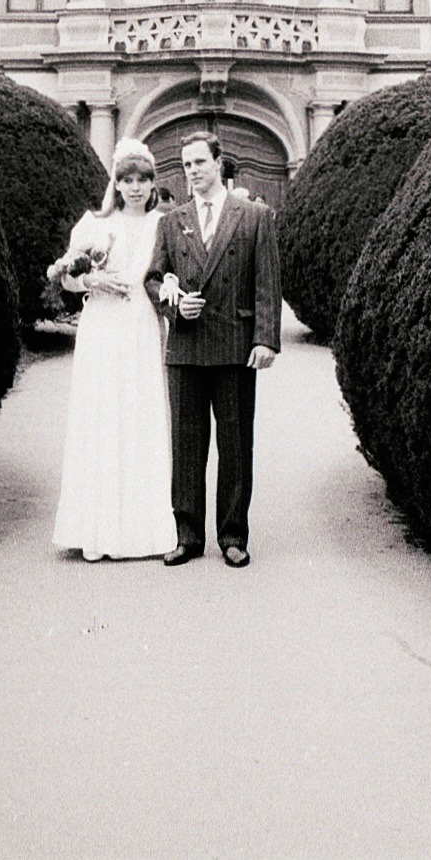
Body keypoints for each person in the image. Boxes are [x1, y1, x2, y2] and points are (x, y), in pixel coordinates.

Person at [144, 130, 282, 568]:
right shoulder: (171, 220)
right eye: (185, 165)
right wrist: (173, 305)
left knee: (236, 444)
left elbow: (266, 283)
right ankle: (187, 535)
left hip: (236, 345)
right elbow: (152, 278)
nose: (192, 172)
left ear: (219, 163)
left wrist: (265, 339)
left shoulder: (253, 215)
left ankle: (233, 536)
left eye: (199, 163)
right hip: (185, 346)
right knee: (187, 445)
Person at [51, 139, 177, 562]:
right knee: (102, 415)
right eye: (127, 179)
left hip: (142, 326)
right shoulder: (94, 224)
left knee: (140, 415)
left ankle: (141, 529)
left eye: (143, 180)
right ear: (117, 183)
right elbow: (64, 275)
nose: (135, 187)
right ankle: (94, 526)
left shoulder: (166, 224)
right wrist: (92, 281)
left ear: (153, 183)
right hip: (103, 327)